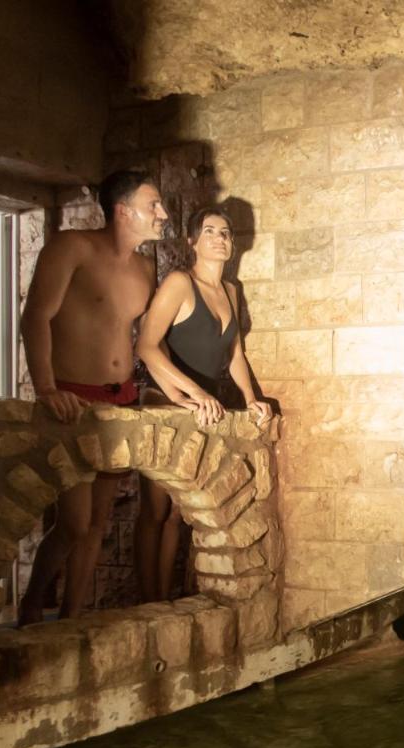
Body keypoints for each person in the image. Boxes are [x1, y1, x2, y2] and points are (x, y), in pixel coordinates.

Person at [18, 170, 169, 625]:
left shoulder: (146, 267)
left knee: (98, 521)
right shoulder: (73, 247)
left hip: (121, 398)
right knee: (75, 522)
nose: (162, 214)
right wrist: (46, 387)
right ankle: (30, 606)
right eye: (153, 205)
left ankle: (72, 616)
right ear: (124, 210)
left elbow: (143, 340)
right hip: (73, 398)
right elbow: (35, 318)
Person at [134, 206, 272, 603]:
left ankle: (167, 599)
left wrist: (251, 398)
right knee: (157, 509)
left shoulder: (232, 290)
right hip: (166, 399)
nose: (220, 238)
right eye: (209, 231)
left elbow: (235, 355)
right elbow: (146, 346)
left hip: (201, 404)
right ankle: (148, 600)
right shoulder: (180, 282)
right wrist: (193, 393)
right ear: (192, 241)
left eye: (226, 232)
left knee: (182, 511)